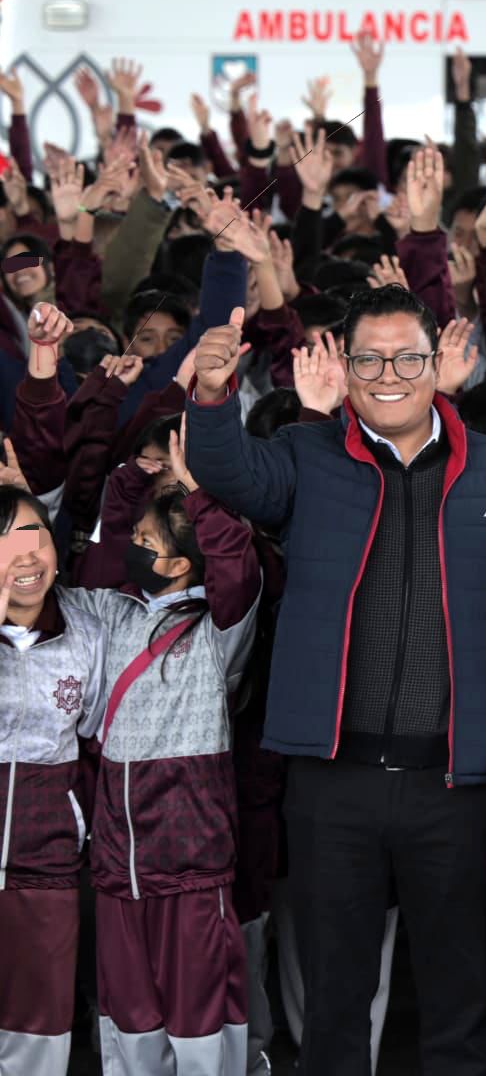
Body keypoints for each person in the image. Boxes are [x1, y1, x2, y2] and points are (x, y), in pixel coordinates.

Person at [184, 283, 486, 1076]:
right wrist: (211, 395)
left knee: (457, 1005)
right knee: (336, 1007)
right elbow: (224, 471)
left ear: (440, 364)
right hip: (332, 781)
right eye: (372, 358)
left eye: (408, 356)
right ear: (346, 369)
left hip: (456, 783)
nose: (391, 373)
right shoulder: (305, 459)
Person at [72, 426, 262, 1074]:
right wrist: (131, 479)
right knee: (127, 1014)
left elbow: (237, 565)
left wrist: (201, 497)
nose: (134, 550)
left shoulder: (218, 632)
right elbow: (97, 559)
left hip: (190, 866)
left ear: (182, 562)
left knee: (202, 1015)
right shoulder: (112, 614)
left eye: (147, 543)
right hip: (117, 864)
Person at [0, 487, 107, 1076]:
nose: (27, 557)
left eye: (36, 537)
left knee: (37, 1024)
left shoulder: (86, 633)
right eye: (8, 541)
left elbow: (92, 731)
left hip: (49, 865)